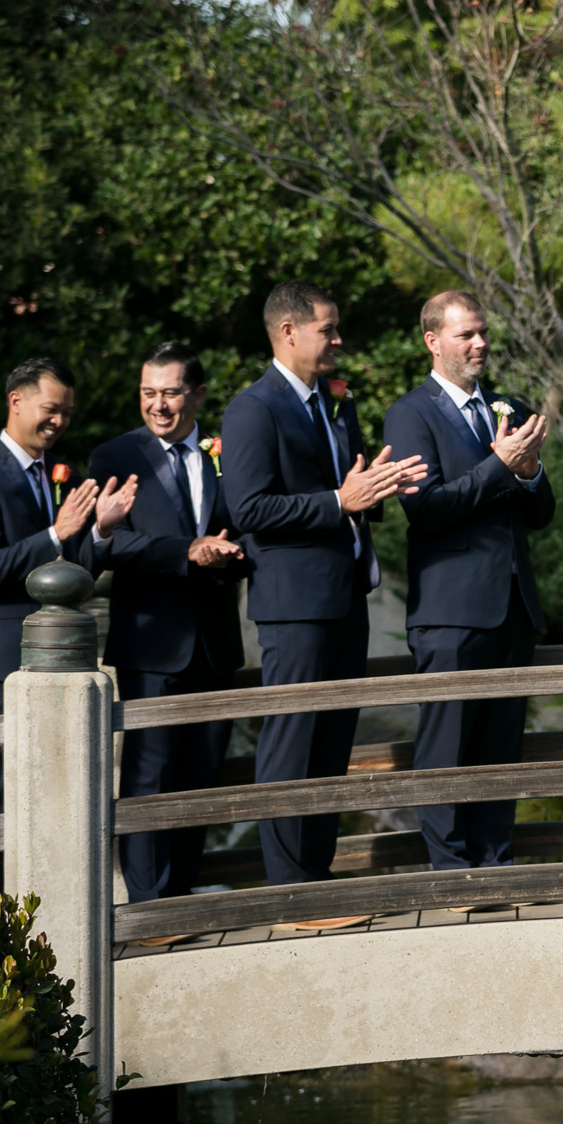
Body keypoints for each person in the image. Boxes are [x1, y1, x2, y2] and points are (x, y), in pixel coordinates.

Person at [221, 281, 427, 906]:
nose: (339, 340)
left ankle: (317, 877)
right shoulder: (253, 408)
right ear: (288, 332)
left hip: (344, 598)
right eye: (328, 329)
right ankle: (287, 890)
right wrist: (340, 500)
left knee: (333, 743)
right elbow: (249, 506)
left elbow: (352, 488)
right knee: (292, 741)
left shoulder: (335, 403)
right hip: (293, 607)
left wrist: (375, 488)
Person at [382, 290, 555, 872]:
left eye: (482, 333)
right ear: (433, 342)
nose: (480, 344)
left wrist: (530, 475)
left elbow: (539, 514)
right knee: (446, 749)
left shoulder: (507, 407)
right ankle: (450, 872)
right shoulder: (410, 414)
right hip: (451, 613)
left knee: (500, 749)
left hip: (512, 606)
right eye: (465, 335)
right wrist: (499, 467)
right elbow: (425, 510)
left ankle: (494, 862)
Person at [89, 342, 249, 910]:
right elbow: (110, 545)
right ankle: (148, 903)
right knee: (149, 774)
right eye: (148, 393)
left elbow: (246, 523)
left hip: (215, 641)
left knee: (201, 775)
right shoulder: (113, 456)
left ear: (198, 394)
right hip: (151, 644)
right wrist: (186, 551)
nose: (158, 405)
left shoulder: (225, 453)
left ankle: (181, 894)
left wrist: (233, 553)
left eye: (171, 393)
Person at [0, 357, 136, 819]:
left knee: (63, 785)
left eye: (67, 413)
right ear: (16, 401)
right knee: (6, 787)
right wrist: (55, 533)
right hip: (6, 658)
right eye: (51, 409)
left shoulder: (63, 476)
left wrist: (100, 532)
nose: (59, 422)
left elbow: (79, 575)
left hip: (66, 657)